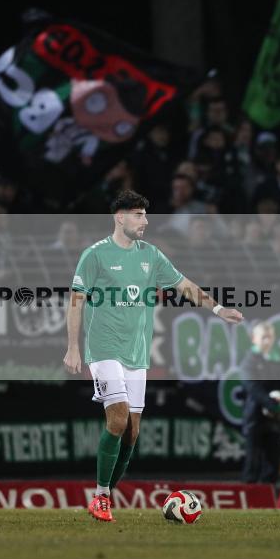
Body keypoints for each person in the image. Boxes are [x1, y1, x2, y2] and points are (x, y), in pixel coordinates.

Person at [63, 189, 243, 522]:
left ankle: (104, 495)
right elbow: (76, 300)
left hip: (137, 352)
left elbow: (183, 285)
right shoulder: (95, 255)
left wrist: (218, 309)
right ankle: (101, 497)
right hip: (104, 349)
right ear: (120, 218)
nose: (145, 221)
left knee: (132, 432)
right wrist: (73, 346)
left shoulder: (151, 255)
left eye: (145, 215)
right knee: (117, 419)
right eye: (138, 215)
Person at [239, 322, 280, 486]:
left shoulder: (279, 362)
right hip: (255, 419)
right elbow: (252, 388)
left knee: (272, 464)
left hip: (275, 422)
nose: (267, 341)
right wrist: (272, 404)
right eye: (263, 337)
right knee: (253, 464)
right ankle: (248, 497)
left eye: (270, 337)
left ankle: (268, 499)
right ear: (254, 339)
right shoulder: (249, 361)